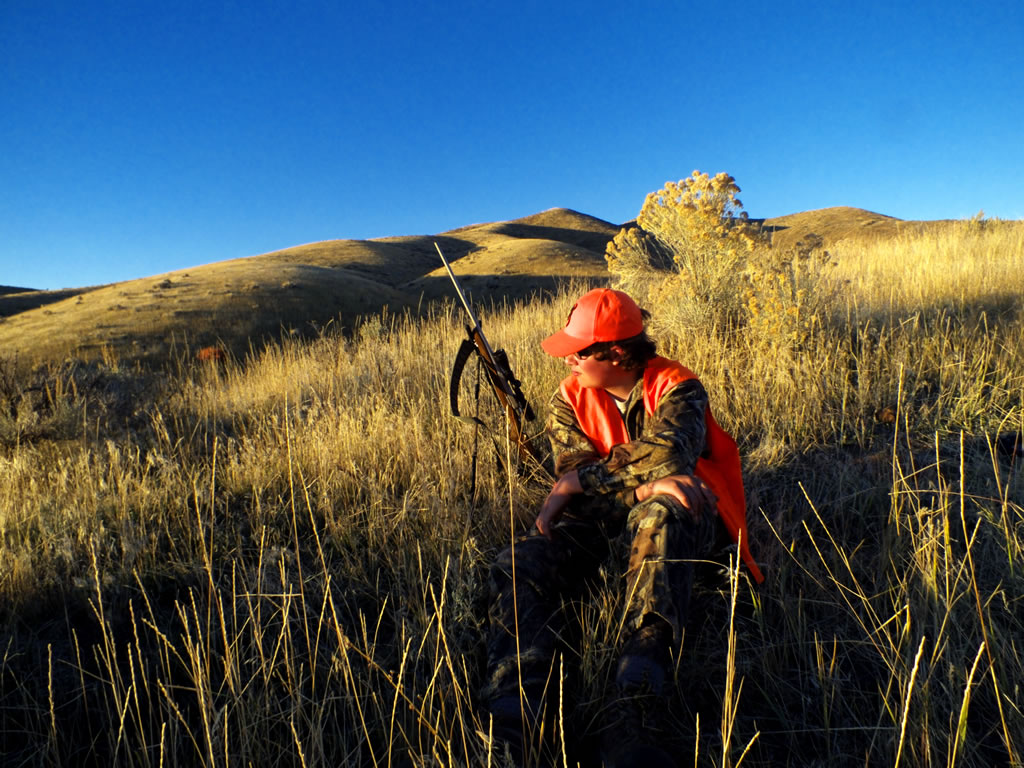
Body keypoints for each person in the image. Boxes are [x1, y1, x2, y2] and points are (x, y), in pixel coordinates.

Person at [482, 287, 763, 766]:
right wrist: (639, 488)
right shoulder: (567, 399)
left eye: (577, 351)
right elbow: (580, 488)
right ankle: (516, 704)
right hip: (606, 517)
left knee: (663, 517)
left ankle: (637, 702)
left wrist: (584, 482)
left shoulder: (679, 387)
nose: (567, 360)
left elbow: (666, 455)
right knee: (522, 562)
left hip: (688, 518)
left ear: (614, 353)